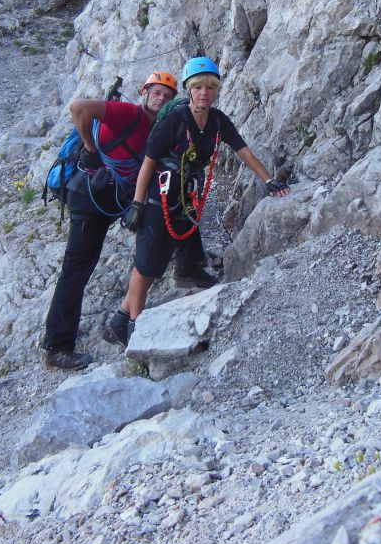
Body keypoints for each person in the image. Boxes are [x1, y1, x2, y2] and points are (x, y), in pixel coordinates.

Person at [103, 56, 290, 347]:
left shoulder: (217, 121)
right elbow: (148, 163)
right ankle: (135, 326)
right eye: (198, 87)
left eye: (210, 87)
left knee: (161, 255)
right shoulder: (174, 120)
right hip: (158, 194)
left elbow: (244, 151)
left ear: (216, 91)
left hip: (185, 194)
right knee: (147, 261)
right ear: (189, 90)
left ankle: (119, 320)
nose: (204, 92)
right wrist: (138, 204)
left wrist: (268, 180)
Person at [40, 71, 209, 369]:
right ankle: (57, 346)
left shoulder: (161, 127)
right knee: (77, 268)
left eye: (167, 96)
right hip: (90, 196)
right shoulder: (126, 113)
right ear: (144, 93)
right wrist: (91, 151)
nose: (161, 99)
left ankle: (188, 266)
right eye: (156, 92)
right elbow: (78, 108)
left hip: (121, 197)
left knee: (174, 208)